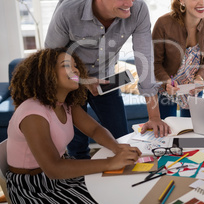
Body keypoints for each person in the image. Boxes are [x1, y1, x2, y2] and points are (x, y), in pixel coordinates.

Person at [45, 0, 169, 159]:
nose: (130, 2)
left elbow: (144, 58)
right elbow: (50, 60)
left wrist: (154, 117)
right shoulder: (68, 12)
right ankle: (81, 184)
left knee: (121, 136)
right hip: (72, 81)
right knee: (76, 144)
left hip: (106, 79)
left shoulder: (138, 10)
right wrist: (82, 82)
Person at [6, 48, 141, 204]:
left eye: (75, 65)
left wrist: (116, 147)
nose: (75, 69)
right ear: (46, 73)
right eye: (66, 65)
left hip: (61, 175)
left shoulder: (66, 104)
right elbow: (53, 168)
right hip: (33, 187)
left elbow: (95, 129)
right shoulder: (32, 113)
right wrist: (110, 162)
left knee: (118, 188)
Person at [152, 0, 204, 118]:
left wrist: (200, 77)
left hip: (193, 87)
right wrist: (167, 82)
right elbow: (155, 62)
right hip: (167, 88)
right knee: (167, 131)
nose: (202, 2)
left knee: (191, 132)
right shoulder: (163, 24)